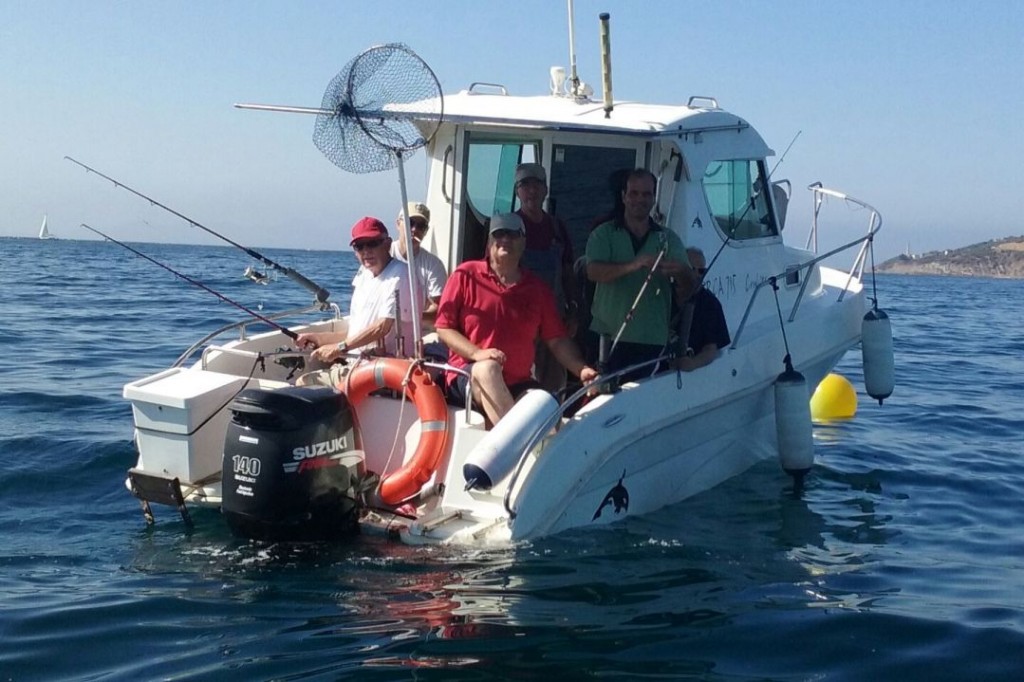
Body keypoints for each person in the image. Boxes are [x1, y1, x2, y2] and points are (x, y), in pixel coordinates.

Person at [435, 212, 597, 426]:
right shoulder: (464, 275)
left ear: (523, 242)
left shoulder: (538, 289)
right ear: (489, 241)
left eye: (512, 234)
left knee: (545, 404)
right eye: (499, 234)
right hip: (467, 374)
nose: (505, 239)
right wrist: (477, 353)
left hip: (518, 381)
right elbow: (443, 328)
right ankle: (521, 450)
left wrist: (581, 369)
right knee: (488, 368)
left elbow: (557, 340)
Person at [585, 168, 696, 381]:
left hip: (652, 339)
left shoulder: (669, 239)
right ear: (623, 196)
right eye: (634, 193)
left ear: (654, 198)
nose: (640, 199)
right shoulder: (603, 234)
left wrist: (682, 272)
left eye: (646, 194)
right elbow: (593, 272)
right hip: (606, 337)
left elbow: (690, 288)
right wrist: (634, 264)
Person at [296, 217, 418, 365]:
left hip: (383, 368)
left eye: (372, 243)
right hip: (356, 364)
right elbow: (354, 334)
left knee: (303, 383)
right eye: (359, 246)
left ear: (388, 244)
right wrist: (318, 338)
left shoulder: (401, 275)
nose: (366, 251)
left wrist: (340, 348)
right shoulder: (363, 275)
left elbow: (382, 327)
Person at [513, 162, 580, 394]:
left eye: (537, 184)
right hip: (518, 321)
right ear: (517, 191)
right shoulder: (508, 227)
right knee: (520, 382)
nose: (531, 190)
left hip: (554, 319)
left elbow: (568, 272)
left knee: (553, 386)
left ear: (545, 190)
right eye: (525, 185)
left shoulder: (557, 227)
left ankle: (553, 427)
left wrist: (573, 308)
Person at [676, 247, 731, 371]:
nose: (696, 274)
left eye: (701, 271)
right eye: (691, 269)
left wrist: (692, 364)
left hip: (685, 371)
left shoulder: (711, 304)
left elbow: (711, 349)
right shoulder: (664, 295)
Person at [391, 202, 447, 323]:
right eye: (410, 222)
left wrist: (410, 319)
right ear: (398, 224)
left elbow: (438, 308)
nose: (414, 229)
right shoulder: (384, 255)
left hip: (421, 332)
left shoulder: (434, 265)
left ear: (426, 231)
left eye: (421, 226)